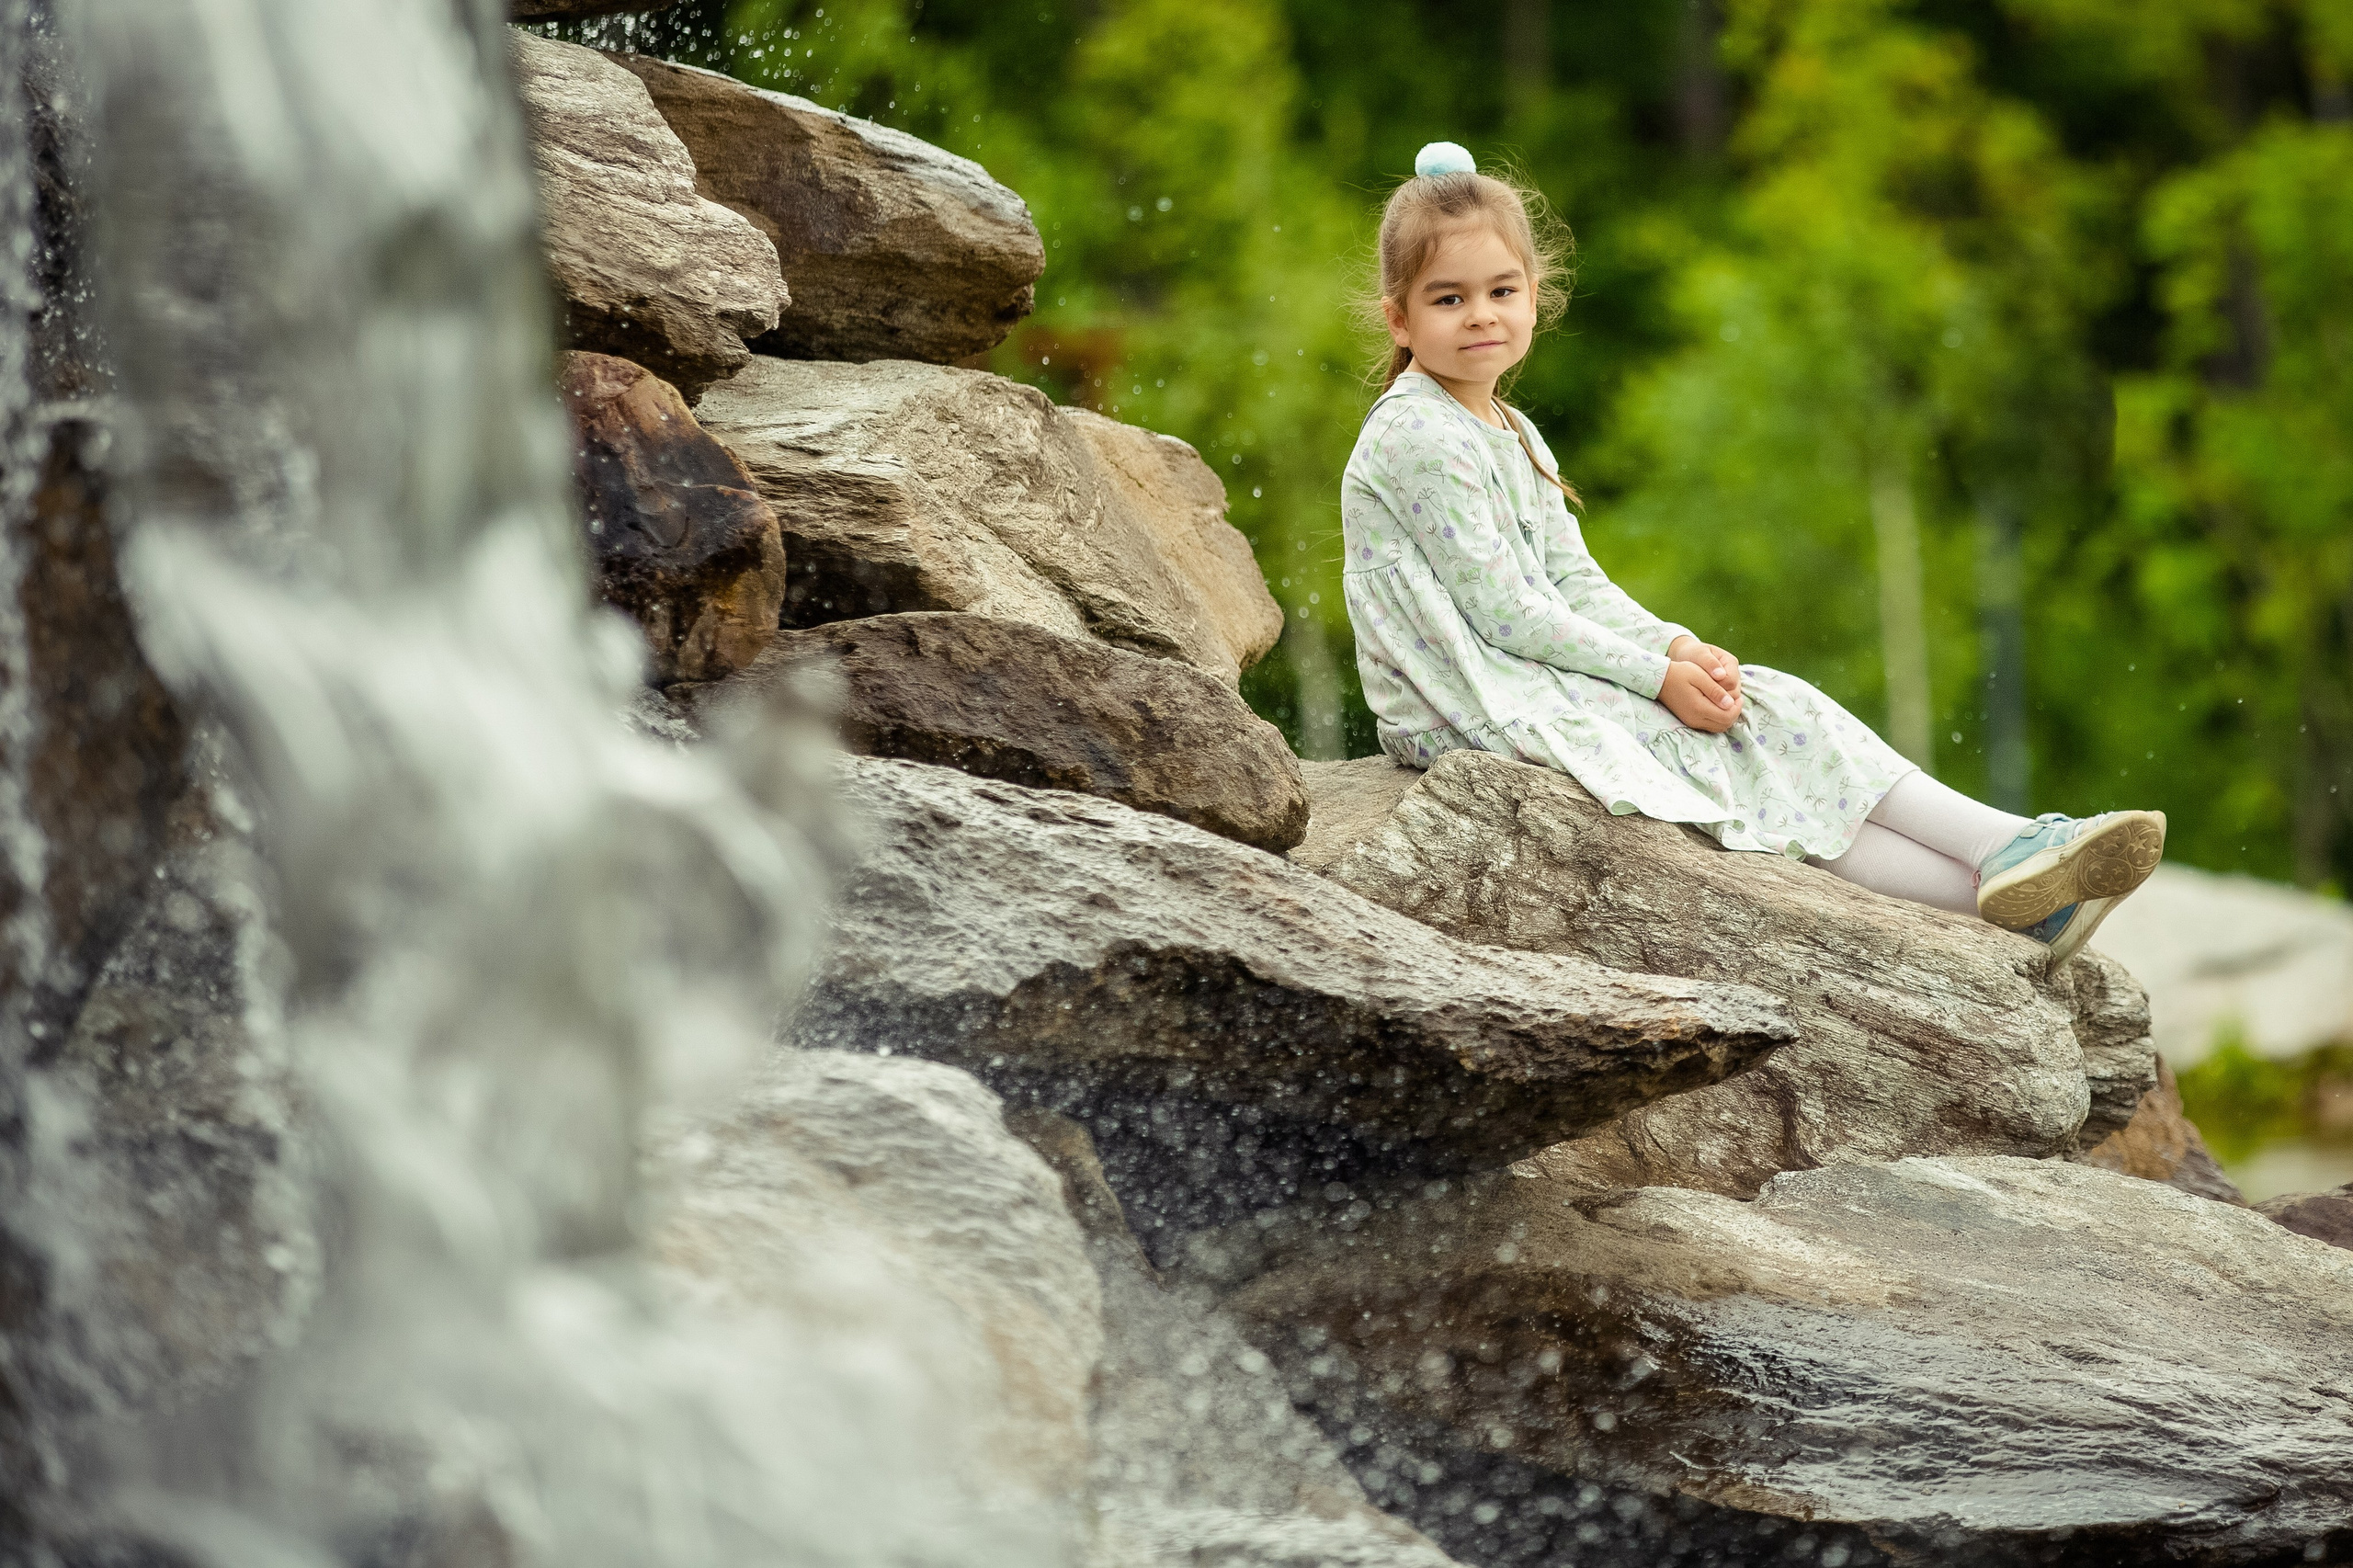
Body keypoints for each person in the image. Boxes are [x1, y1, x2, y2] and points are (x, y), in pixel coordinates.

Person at [1339, 142, 2164, 960]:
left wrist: (1676, 648)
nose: (1481, 314)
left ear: (1533, 296)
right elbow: (1504, 613)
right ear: (1400, 319)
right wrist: (1654, 679)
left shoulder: (1512, 429)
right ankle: (2011, 853)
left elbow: (1571, 582)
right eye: (1449, 298)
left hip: (1515, 677)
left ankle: (2017, 874)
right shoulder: (1418, 432)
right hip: (1462, 701)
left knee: (1768, 710)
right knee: (1724, 753)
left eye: (1501, 291)